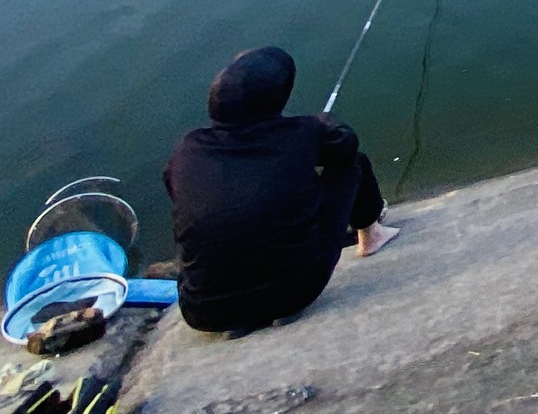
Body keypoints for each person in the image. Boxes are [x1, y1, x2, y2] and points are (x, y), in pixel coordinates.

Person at [163, 47, 400, 336]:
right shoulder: (303, 133)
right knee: (353, 164)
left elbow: (176, 192)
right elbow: (346, 146)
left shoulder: (188, 149)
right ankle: (371, 237)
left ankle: (238, 319)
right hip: (296, 291)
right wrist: (327, 123)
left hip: (202, 311)